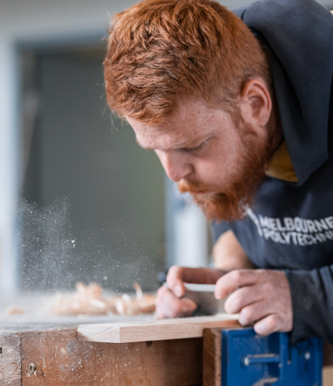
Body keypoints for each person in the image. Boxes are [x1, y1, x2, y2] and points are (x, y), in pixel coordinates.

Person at [103, 0, 333, 344]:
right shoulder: (224, 124)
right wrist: (226, 281)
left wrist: (310, 298)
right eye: (156, 150)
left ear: (256, 103)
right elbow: (236, 219)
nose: (174, 173)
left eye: (193, 147)